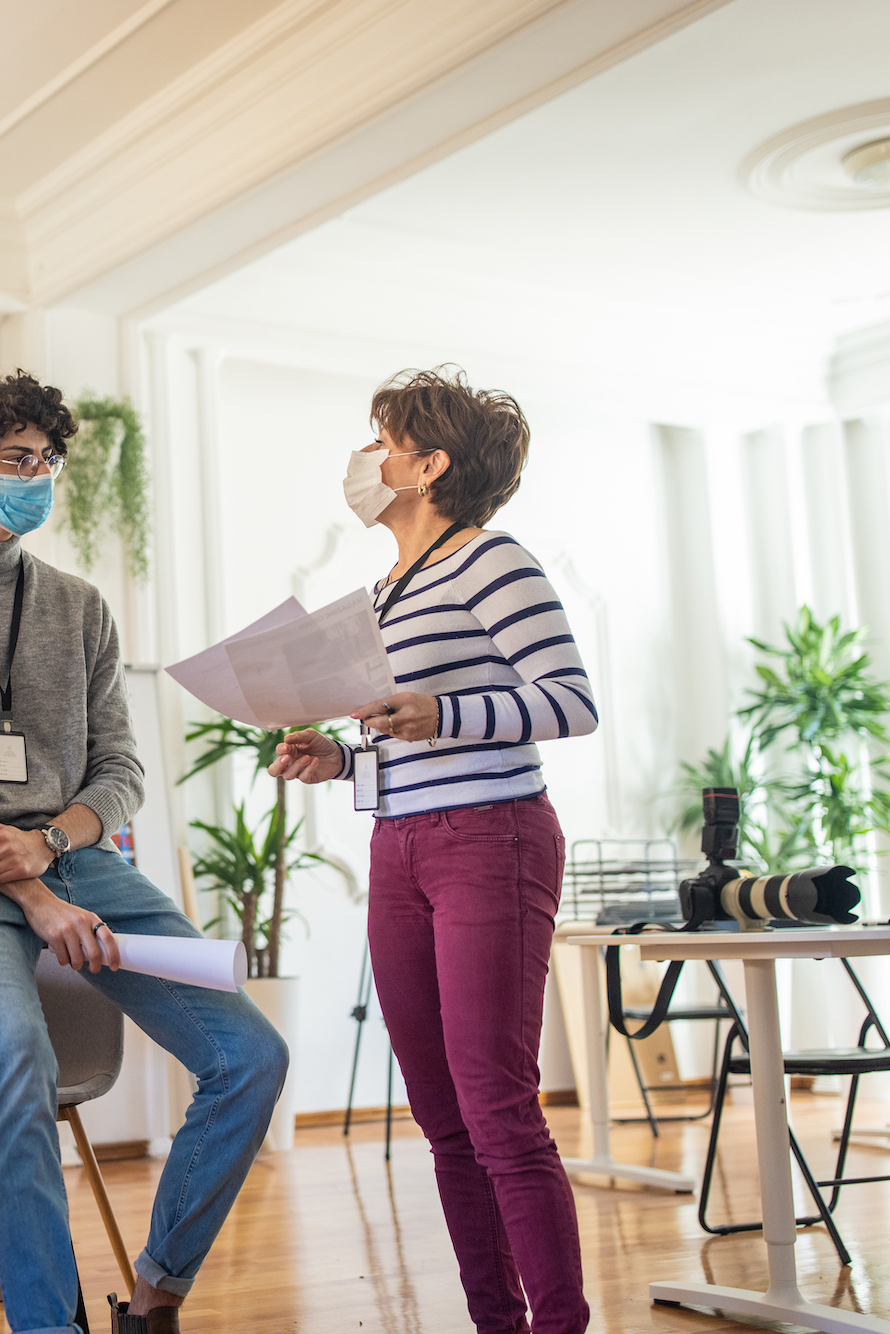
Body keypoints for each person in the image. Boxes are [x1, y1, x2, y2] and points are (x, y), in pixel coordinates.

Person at [0, 372, 287, 1334]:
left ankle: (157, 1295)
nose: (38, 476)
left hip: (73, 853)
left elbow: (122, 767)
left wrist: (50, 845)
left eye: (50, 460)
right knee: (17, 1049)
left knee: (249, 1055)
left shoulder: (80, 606)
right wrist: (33, 891)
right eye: (17, 459)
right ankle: (50, 1325)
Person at [270, 367, 595, 1334]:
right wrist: (339, 758)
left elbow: (570, 703)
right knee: (444, 1118)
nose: (367, 457)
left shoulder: (496, 562)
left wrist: (442, 710)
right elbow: (409, 738)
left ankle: (559, 1326)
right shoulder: (386, 588)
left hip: (490, 844)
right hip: (401, 847)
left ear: (428, 466)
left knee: (498, 1109)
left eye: (381, 440)